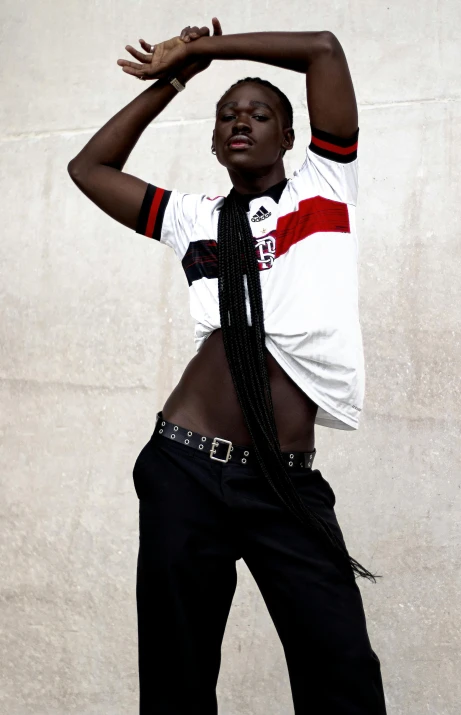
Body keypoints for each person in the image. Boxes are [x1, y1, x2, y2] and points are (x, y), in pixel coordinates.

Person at [68, 17, 387, 714]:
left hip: (284, 484)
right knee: (177, 687)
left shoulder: (325, 188)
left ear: (290, 136)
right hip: (184, 468)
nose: (241, 121)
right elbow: (88, 170)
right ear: (214, 140)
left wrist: (205, 48)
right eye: (227, 115)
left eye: (259, 112)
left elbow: (323, 50)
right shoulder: (193, 217)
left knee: (344, 678)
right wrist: (176, 81)